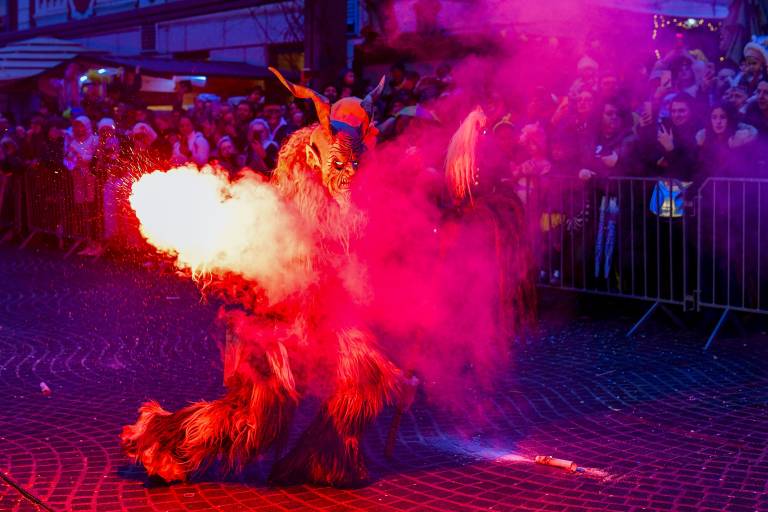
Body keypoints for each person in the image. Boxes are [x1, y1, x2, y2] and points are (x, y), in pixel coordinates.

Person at [64, 115, 100, 255]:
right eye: (76, 126)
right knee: (83, 212)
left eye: (81, 126)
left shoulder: (94, 140)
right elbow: (67, 162)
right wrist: (71, 163)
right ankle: (88, 242)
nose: (79, 129)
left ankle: (96, 243)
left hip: (91, 182)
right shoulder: (73, 142)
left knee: (92, 211)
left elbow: (95, 160)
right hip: (78, 181)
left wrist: (81, 158)